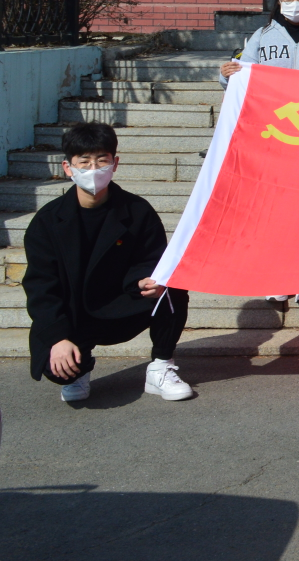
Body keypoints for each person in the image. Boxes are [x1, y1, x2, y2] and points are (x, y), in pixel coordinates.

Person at [22, 122, 194, 402]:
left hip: (123, 304)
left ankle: (161, 366)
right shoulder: (47, 222)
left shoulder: (137, 211)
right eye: (84, 162)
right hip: (76, 313)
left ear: (115, 163)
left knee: (171, 286)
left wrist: (146, 280)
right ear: (68, 167)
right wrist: (57, 338)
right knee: (57, 368)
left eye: (101, 160)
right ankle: (79, 369)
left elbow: (152, 258)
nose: (93, 169)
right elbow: (41, 284)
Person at [219, 0, 299, 305]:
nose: (294, 2)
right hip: (274, 139)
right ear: (278, 0)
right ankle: (277, 274)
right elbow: (241, 79)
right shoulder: (262, 36)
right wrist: (227, 75)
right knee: (274, 209)